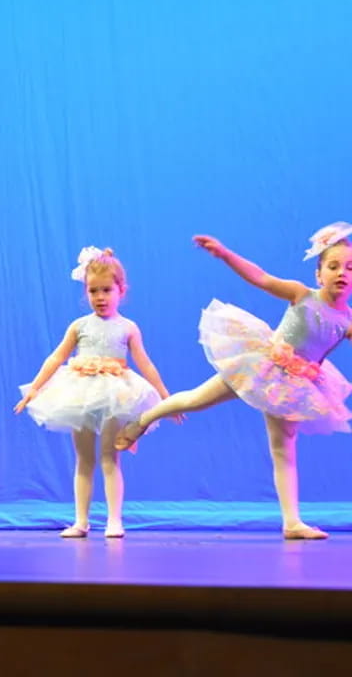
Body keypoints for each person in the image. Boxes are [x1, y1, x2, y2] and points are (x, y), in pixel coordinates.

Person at [115, 224, 352, 540]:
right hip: (262, 366)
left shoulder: (347, 319)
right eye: (333, 266)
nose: (341, 273)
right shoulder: (301, 294)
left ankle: (292, 522)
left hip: (295, 387)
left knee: (284, 449)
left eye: (349, 267)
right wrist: (225, 254)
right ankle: (144, 419)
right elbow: (261, 278)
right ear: (318, 274)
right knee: (195, 400)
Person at [15, 247, 178, 538]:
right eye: (93, 291)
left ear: (121, 290)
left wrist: (167, 398)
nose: (100, 297)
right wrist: (35, 389)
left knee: (110, 457)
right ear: (85, 292)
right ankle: (81, 520)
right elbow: (56, 358)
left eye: (106, 290)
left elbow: (146, 364)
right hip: (80, 393)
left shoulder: (128, 328)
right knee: (83, 459)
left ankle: (114, 520)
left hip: (115, 395)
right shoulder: (79, 326)